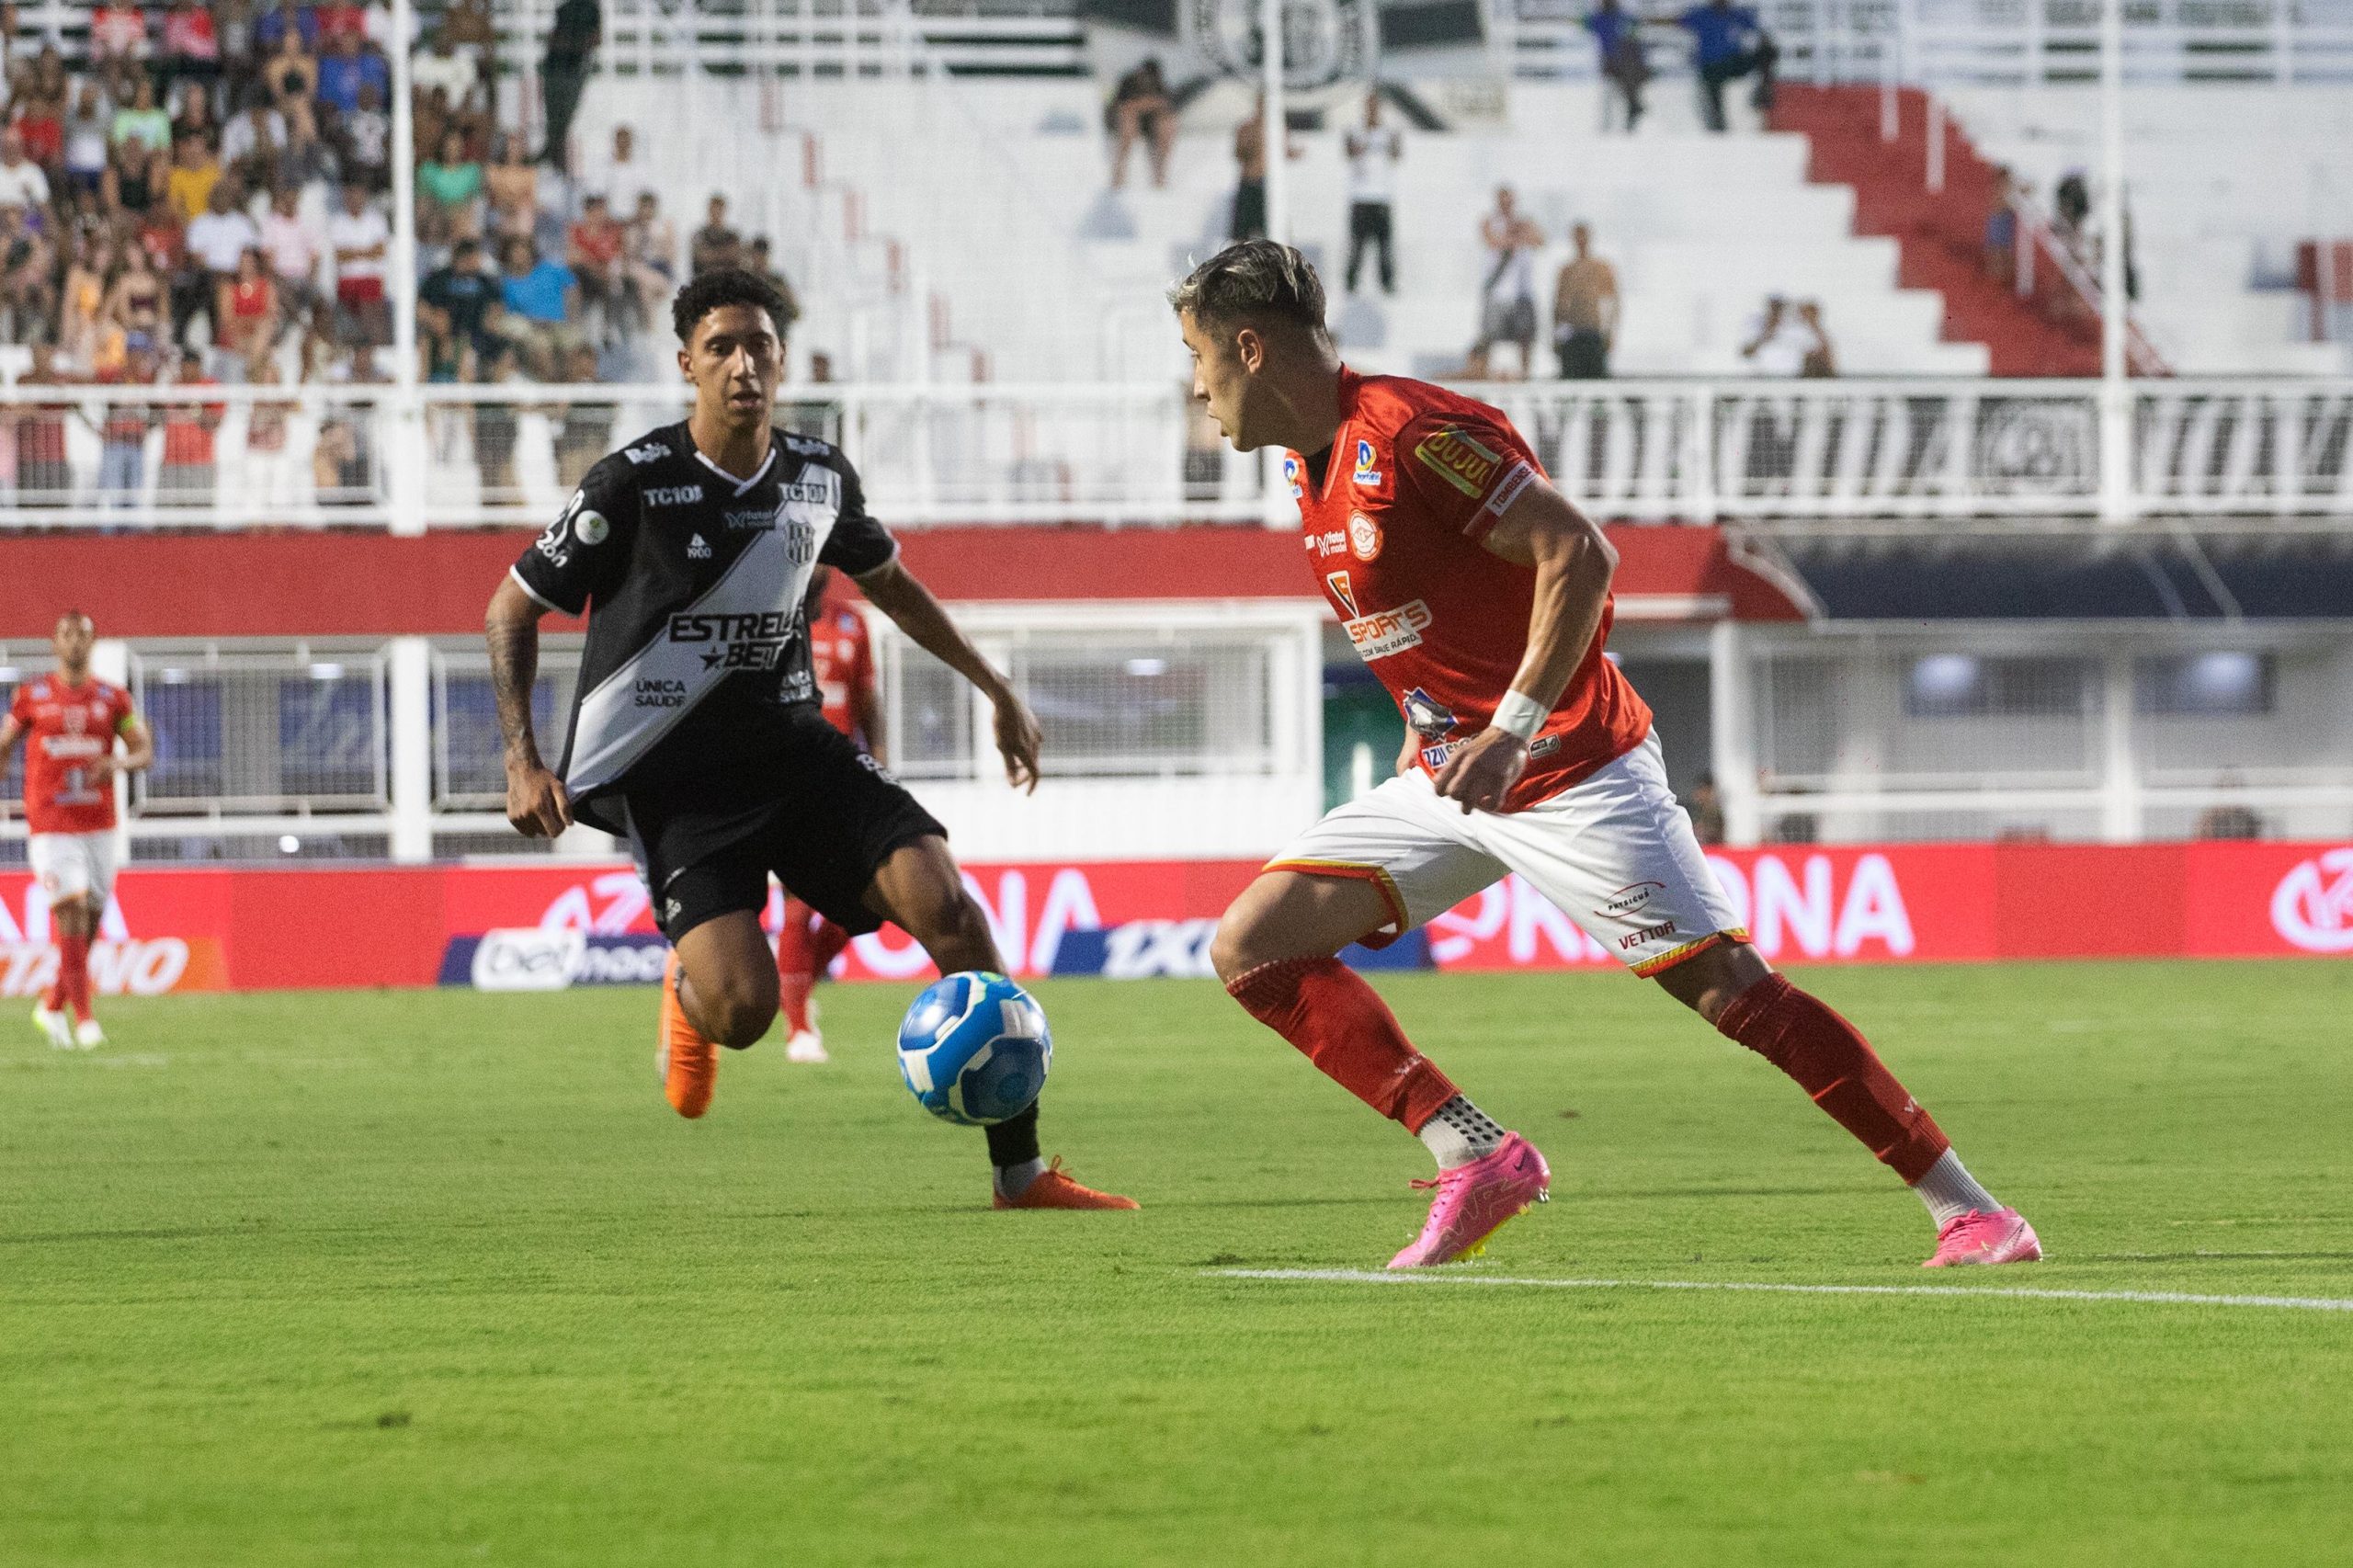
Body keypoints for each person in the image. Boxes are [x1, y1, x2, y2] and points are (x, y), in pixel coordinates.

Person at [1169, 239, 2040, 1270]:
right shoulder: (1305, 464)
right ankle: (1474, 1152)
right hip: (1454, 775)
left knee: (1731, 990)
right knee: (1254, 943)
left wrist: (1511, 726)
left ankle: (1972, 1211)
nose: (1196, 386)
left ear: (1251, 349)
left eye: (1197, 357)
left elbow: (1578, 552)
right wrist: (1430, 717)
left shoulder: (1412, 433)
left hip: (1568, 767)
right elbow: (1438, 605)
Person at [483, 267, 1136, 1210]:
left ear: (783, 360)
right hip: (677, 782)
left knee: (953, 910)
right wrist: (521, 759)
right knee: (744, 1012)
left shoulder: (818, 477)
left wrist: (993, 687)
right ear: (686, 364)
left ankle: (1020, 1171)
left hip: (797, 754)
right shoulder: (633, 483)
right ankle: (688, 992)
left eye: (759, 346)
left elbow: (892, 586)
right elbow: (510, 608)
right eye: (720, 347)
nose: (742, 365)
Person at [0, 611, 155, 1051]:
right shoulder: (32, 696)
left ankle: (51, 1007)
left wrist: (116, 763)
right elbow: (6, 739)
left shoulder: (114, 699)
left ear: (93, 642)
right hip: (51, 824)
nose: (74, 643)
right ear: (54, 643)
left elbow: (142, 750)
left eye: (82, 635)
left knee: (89, 923)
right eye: (66, 635)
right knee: (70, 911)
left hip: (99, 825)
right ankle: (85, 1021)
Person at [773, 564, 883, 1065]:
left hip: (846, 782)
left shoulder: (852, 622)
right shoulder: (771, 618)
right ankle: (798, 1028)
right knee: (798, 907)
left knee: (862, 907)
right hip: (791, 783)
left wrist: (879, 766)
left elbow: (867, 703)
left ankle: (795, 992)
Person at [1664, 0, 1775, 133]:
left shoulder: (1737, 14)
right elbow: (1677, 21)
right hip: (1712, 65)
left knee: (1768, 52)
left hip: (1733, 62)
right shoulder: (1702, 15)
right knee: (1712, 92)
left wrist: (1765, 41)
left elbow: (1758, 30)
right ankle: (1718, 125)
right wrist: (1651, 21)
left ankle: (1763, 92)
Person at [1472, 186, 1541, 380]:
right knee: (1489, 334)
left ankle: (1525, 374)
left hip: (1521, 290)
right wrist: (1517, 236)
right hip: (1498, 291)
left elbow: (1539, 240)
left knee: (1525, 335)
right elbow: (1493, 241)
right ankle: (1483, 373)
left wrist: (1517, 234)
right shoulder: (1490, 222)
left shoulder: (1523, 222)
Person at [1342, 94, 1399, 296]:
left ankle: (1387, 283)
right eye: (1369, 106)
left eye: (1375, 107)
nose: (1372, 110)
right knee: (1356, 245)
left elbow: (1396, 153)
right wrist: (1364, 139)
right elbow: (1349, 152)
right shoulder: (1354, 130)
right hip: (1360, 197)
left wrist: (1389, 140)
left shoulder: (1389, 132)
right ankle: (1351, 283)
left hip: (1382, 197)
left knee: (1385, 246)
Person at [1552, 221, 1618, 380]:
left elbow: (1610, 302)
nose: (1581, 240)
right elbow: (1559, 306)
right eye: (1577, 236)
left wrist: (1609, 332)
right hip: (1572, 334)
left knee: (1597, 379)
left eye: (1583, 236)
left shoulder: (1601, 268)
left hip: (1594, 333)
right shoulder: (1567, 270)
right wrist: (1557, 334)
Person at [540, 0, 601, 172]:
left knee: (563, 119)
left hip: (574, 69)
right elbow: (554, 36)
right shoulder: (564, 8)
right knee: (553, 117)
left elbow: (596, 38)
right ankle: (553, 156)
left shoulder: (591, 9)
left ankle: (557, 159)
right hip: (555, 66)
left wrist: (574, 45)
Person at [1105, 58, 1175, 190]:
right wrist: (1144, 105)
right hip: (1125, 123)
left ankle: (1160, 177)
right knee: (1128, 123)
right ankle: (1118, 176)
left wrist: (1146, 105)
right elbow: (1121, 106)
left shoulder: (1159, 83)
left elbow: (1165, 105)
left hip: (1149, 123)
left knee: (1166, 125)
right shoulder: (1128, 82)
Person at [1586, 0, 1651, 131]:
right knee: (1619, 90)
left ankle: (1631, 113)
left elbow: (1635, 37)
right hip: (1613, 62)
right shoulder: (1600, 19)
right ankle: (1630, 111)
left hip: (1624, 61)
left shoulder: (1622, 18)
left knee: (1627, 87)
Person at [1230, 95, 1268, 243]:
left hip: (1267, 186)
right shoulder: (1247, 128)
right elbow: (1239, 153)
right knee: (1242, 233)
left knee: (1268, 230)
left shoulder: (1276, 128)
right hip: (1250, 182)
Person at [1682, 772, 1725, 845]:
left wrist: (1701, 831)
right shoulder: (1693, 810)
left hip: (1710, 847)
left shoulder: (1714, 812)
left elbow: (1717, 836)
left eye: (1703, 791)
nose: (1699, 794)